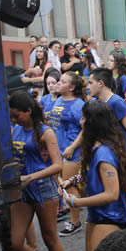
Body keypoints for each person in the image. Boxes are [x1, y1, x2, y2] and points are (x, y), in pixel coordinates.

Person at [8, 92, 70, 251]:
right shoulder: (15, 129)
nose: (14, 120)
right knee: (15, 242)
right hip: (22, 190)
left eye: (17, 116)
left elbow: (57, 165)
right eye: (12, 117)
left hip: (43, 189)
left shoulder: (46, 132)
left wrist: (30, 177)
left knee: (50, 238)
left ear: (28, 111)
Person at [60, 100, 126, 251]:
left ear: (92, 122)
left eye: (83, 118)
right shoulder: (96, 147)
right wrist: (72, 181)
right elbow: (90, 174)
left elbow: (111, 194)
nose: (80, 121)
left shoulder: (104, 154)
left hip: (109, 217)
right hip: (97, 215)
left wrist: (76, 202)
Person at [50, 72, 87, 237]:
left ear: (71, 87)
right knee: (69, 186)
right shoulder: (58, 100)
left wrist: (72, 147)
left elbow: (86, 129)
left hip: (72, 152)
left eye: (62, 82)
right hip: (58, 150)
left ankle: (75, 222)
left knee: (70, 186)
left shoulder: (78, 105)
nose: (58, 83)